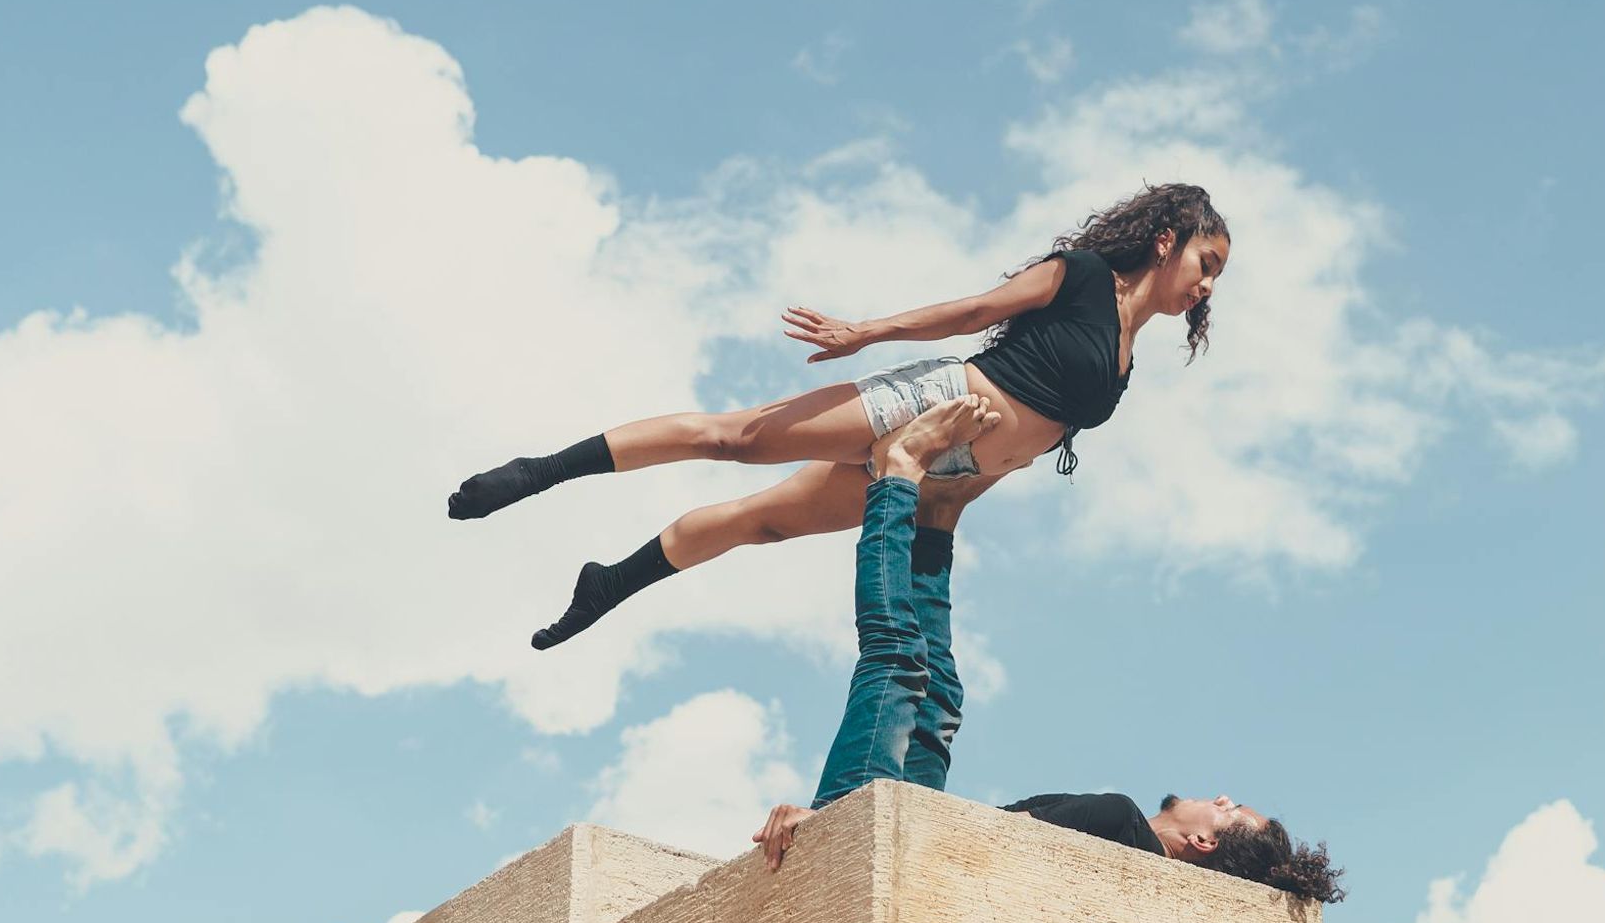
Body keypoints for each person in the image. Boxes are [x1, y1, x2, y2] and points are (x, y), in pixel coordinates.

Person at [446, 183, 1231, 650]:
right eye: (1206, 263)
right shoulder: (1083, 277)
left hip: (938, 469)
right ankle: (535, 473)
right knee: (736, 438)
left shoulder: (1126, 366)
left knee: (763, 522)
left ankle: (611, 584)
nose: (1206, 285)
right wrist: (866, 332)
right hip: (929, 400)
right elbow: (972, 311)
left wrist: (946, 511)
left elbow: (1029, 448)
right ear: (1167, 241)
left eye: (1217, 277)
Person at [747, 402, 1345, 905]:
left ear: (1206, 845)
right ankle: (940, 516)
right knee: (940, 697)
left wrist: (834, 824)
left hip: (913, 851)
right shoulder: (1133, 859)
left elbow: (983, 843)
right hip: (926, 847)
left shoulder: (1120, 819)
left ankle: (898, 475)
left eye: (1230, 811)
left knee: (897, 655)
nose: (1221, 797)